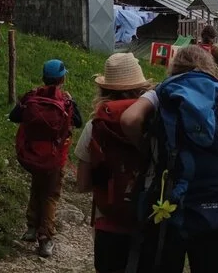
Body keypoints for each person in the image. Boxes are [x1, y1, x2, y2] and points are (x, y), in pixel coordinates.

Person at [121, 46, 218, 273]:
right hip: (215, 202)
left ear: (175, 66)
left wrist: (146, 148)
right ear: (209, 66)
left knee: (163, 260)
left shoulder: (162, 91)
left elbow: (129, 120)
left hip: (168, 197)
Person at [73, 53, 157, 273]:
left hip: (108, 221)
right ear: (142, 87)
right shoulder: (156, 122)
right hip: (151, 220)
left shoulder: (96, 125)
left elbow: (82, 184)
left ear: (105, 89)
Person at [9, 58, 84, 258]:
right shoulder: (66, 101)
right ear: (62, 79)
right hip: (54, 158)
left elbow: (14, 116)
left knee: (36, 187)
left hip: (33, 155)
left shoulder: (31, 97)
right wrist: (71, 102)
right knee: (51, 195)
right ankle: (45, 239)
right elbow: (78, 121)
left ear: (43, 78)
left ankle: (32, 228)